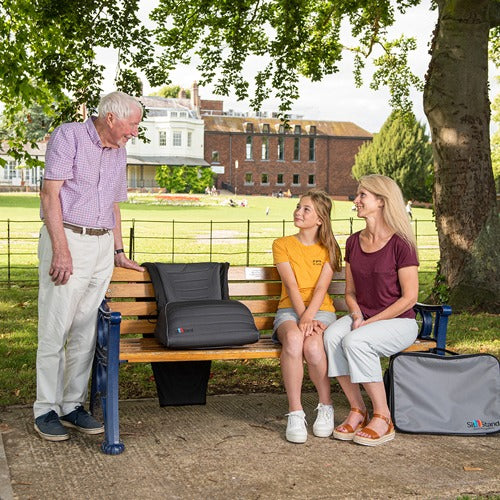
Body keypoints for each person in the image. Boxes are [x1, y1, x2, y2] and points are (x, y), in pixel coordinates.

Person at [34, 91, 145, 441]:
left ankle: (70, 405)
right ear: (111, 118)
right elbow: (49, 195)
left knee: (84, 329)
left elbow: (113, 203)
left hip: (99, 245)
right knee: (56, 327)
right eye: (133, 124)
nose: (135, 132)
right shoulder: (69, 136)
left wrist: (117, 250)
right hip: (68, 238)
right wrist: (61, 250)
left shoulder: (120, 150)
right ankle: (45, 409)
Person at [323, 174, 419, 447]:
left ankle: (383, 416)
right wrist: (356, 314)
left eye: (363, 195)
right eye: (358, 195)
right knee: (331, 337)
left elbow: (410, 298)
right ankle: (358, 409)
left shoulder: (401, 243)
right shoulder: (354, 242)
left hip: (399, 321)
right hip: (363, 317)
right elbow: (350, 293)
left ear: (381, 201)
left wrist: (370, 322)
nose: (356, 200)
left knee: (356, 340)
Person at [272, 190, 342, 443]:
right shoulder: (282, 244)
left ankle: (325, 406)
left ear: (320, 219)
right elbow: (291, 287)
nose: (298, 213)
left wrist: (310, 319)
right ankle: (295, 412)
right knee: (293, 340)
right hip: (290, 310)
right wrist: (303, 319)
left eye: (306, 209)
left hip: (321, 311)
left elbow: (322, 289)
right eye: (298, 207)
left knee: (313, 346)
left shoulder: (329, 248)